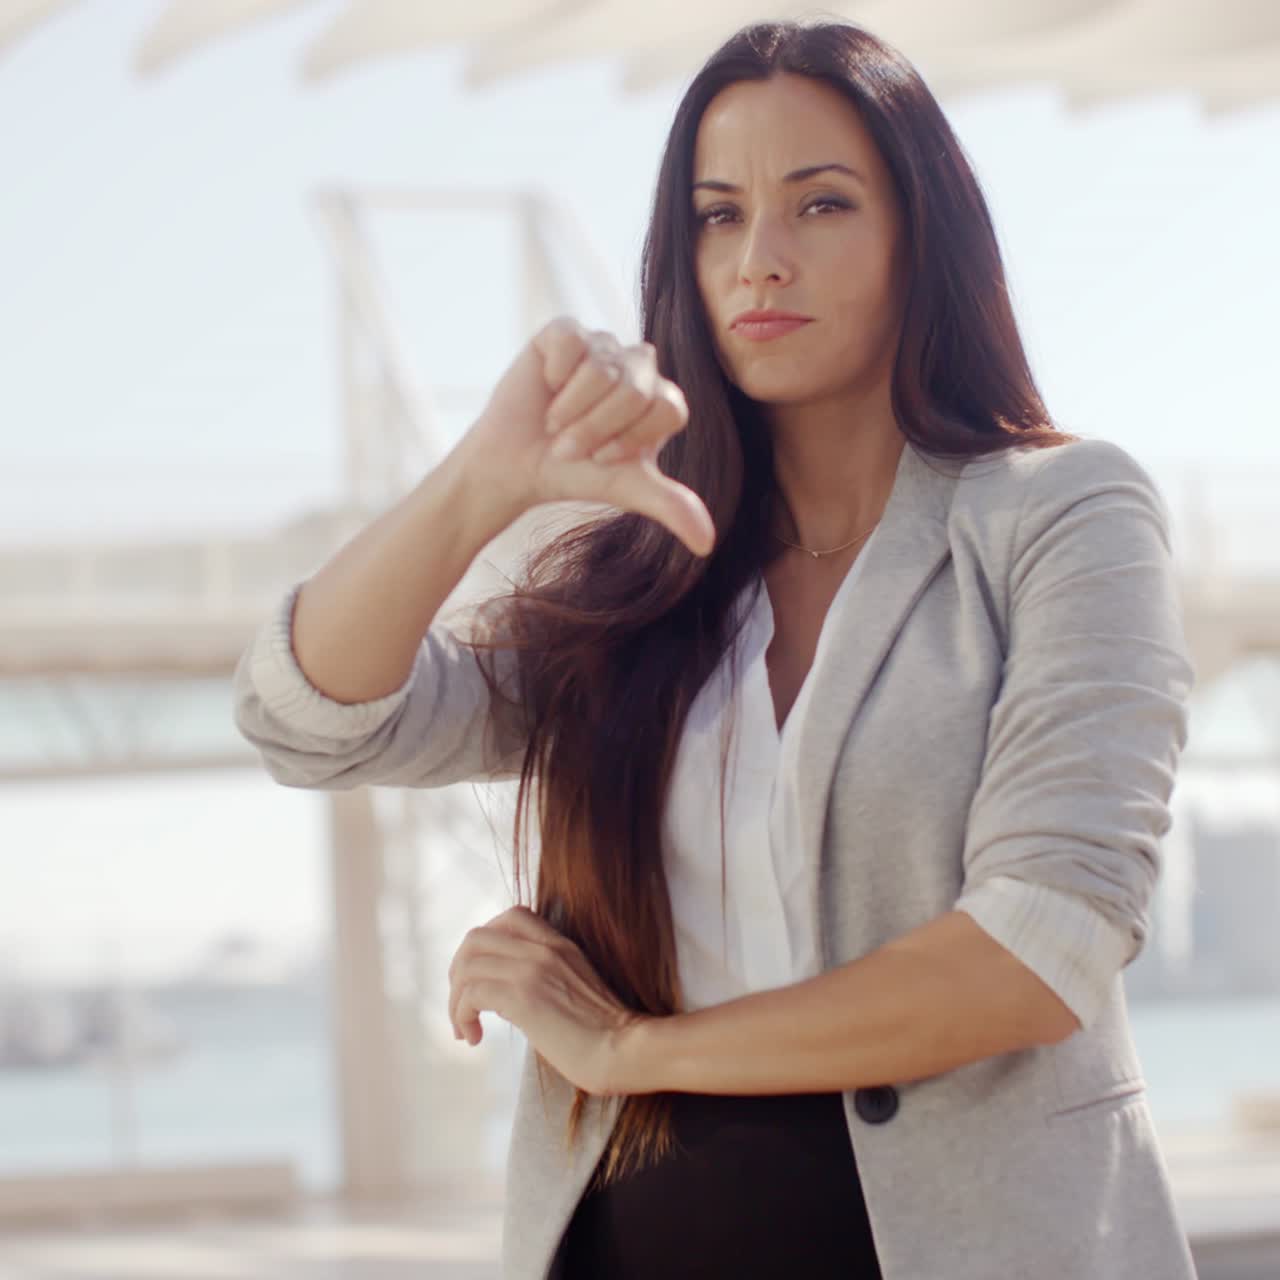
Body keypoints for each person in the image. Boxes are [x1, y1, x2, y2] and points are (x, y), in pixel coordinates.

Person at [232, 18, 1199, 1280]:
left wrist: (629, 1050)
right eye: (717, 215)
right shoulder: (630, 580)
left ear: (923, 235)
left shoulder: (1059, 515)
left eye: (821, 204)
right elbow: (306, 719)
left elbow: (1035, 948)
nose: (761, 261)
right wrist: (480, 481)